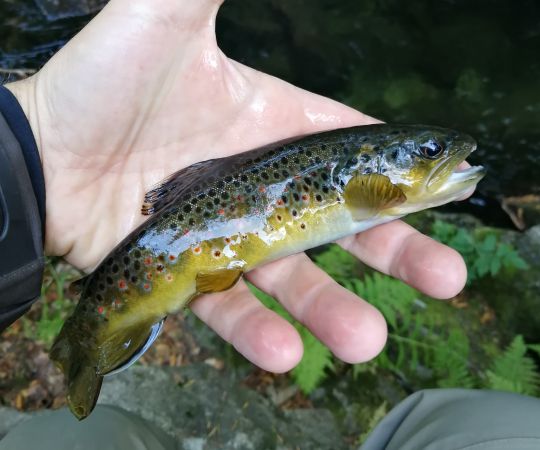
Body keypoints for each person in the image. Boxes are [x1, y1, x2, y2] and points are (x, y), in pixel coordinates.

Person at [1, 1, 539, 449]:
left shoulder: (377, 188)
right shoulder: (373, 192)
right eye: (428, 152)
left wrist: (30, 156)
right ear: (374, 172)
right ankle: (85, 337)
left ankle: (84, 338)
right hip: (174, 246)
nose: (443, 156)